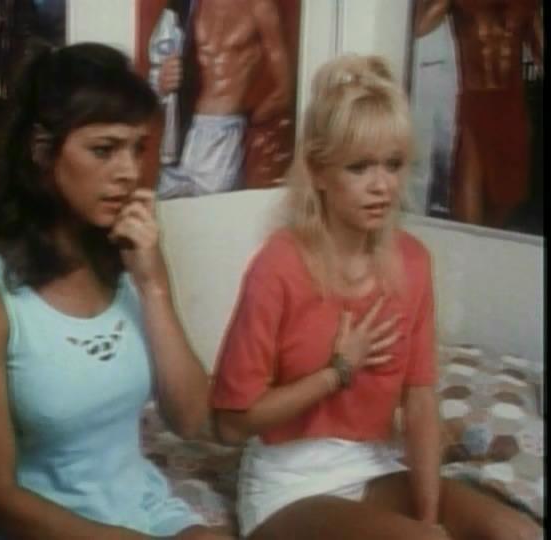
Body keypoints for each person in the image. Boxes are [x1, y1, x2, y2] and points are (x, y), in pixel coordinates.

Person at [209, 54, 542, 539]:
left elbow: (420, 402)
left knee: (518, 533)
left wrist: (428, 517)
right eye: (360, 167)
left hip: (376, 465)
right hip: (291, 482)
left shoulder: (412, 262)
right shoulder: (279, 265)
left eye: (393, 165)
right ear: (318, 172)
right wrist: (337, 372)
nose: (382, 186)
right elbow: (230, 425)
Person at [0, 43, 233, 540]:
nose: (129, 171)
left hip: (137, 506)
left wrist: (154, 284)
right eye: (104, 150)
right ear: (41, 151)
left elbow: (189, 419)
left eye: (137, 148)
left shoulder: (125, 263)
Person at [414, 0, 544, 227]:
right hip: (474, 107)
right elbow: (419, 27)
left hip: (512, 110)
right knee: (467, 213)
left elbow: (540, 53)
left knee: (504, 208)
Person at [148, 0, 293, 199]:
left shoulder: (260, 6)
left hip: (225, 134)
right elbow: (158, 73)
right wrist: (162, 82)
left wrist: (249, 123)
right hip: (180, 135)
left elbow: (285, 91)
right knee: (162, 211)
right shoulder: (187, 5)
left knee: (213, 211)